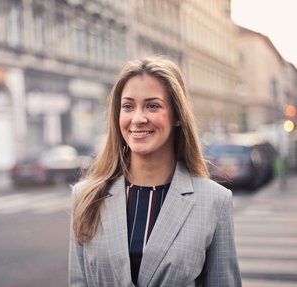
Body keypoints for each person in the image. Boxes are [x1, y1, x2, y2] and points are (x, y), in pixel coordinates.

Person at [69, 56, 242, 287]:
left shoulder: (214, 201)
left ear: (178, 116)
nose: (138, 118)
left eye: (152, 105)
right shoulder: (86, 196)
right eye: (128, 106)